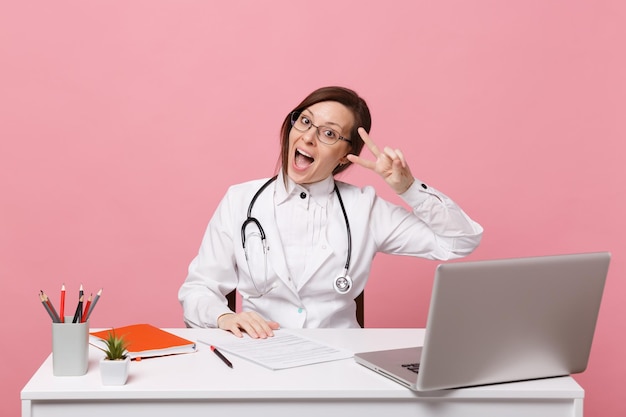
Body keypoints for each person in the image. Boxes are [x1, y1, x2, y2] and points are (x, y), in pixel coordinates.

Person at [178, 86, 483, 338]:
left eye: (329, 134)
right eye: (306, 122)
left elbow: (459, 241)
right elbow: (199, 288)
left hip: (341, 363)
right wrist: (222, 317)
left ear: (344, 156)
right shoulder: (239, 200)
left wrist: (410, 189)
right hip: (261, 354)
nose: (309, 137)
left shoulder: (365, 208)